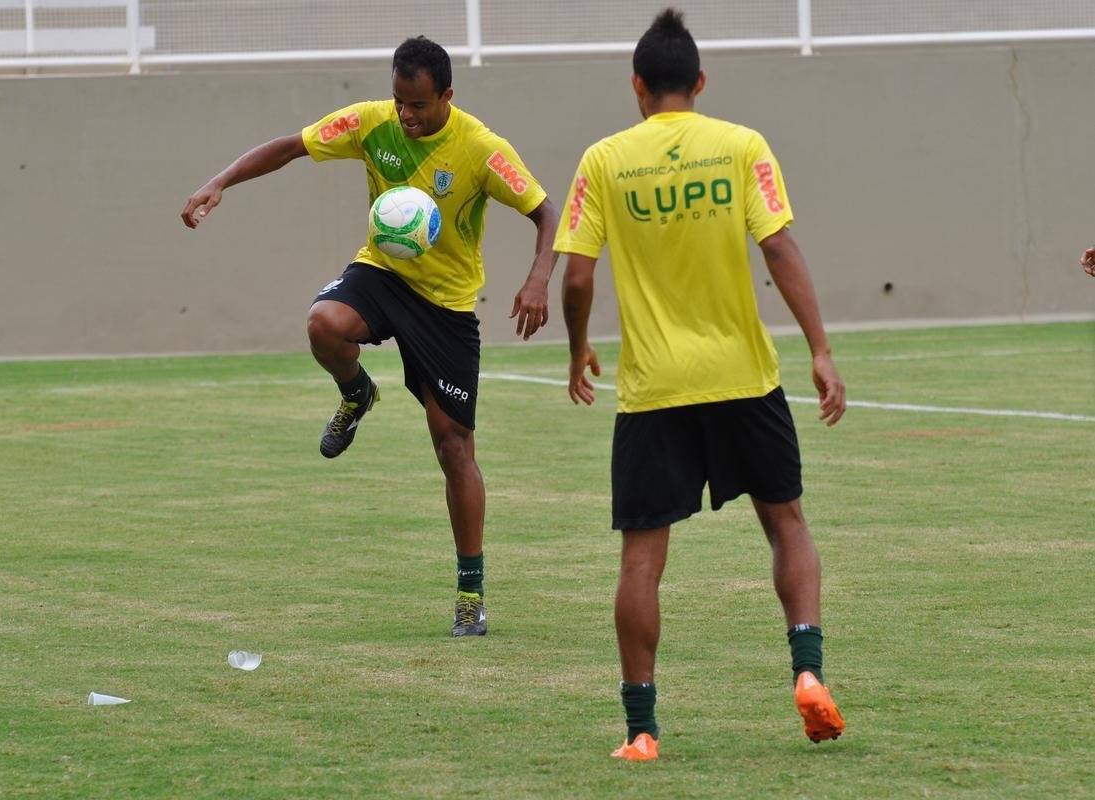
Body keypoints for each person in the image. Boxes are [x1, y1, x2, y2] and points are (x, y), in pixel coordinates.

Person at [181, 36, 560, 637]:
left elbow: (545, 211)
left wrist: (538, 278)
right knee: (323, 323)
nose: (407, 115)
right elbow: (289, 147)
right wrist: (220, 181)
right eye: (399, 101)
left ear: (447, 96)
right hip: (381, 275)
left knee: (453, 449)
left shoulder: (482, 149)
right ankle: (356, 393)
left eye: (419, 105)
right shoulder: (371, 123)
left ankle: (470, 591)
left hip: (446, 306)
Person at [553, 8, 847, 760]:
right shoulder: (741, 145)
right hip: (743, 377)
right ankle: (808, 674)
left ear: (637, 87)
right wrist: (818, 348)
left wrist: (579, 346)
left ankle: (641, 729)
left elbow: (578, 274)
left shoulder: (604, 159)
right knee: (786, 524)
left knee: (641, 558)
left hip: (654, 388)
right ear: (700, 82)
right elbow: (778, 247)